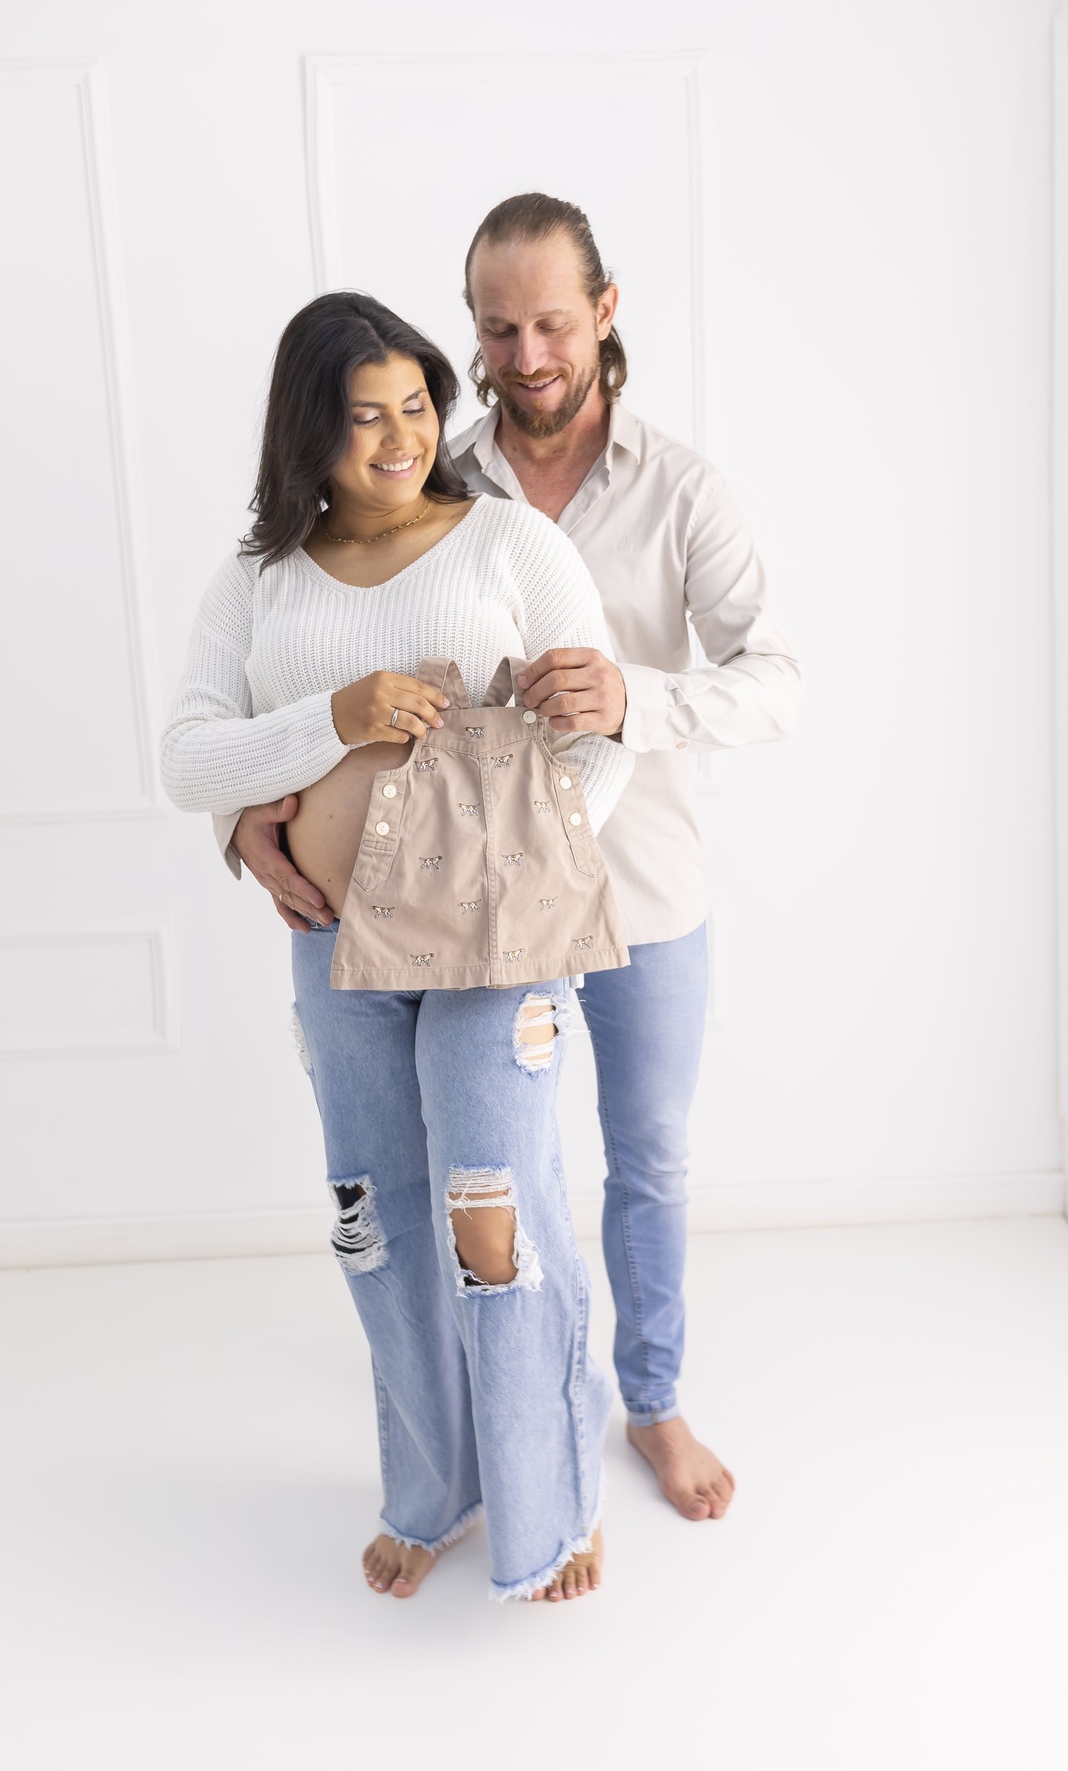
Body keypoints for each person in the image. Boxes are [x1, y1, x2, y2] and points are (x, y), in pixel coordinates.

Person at [225, 194, 801, 1524]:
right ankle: (494, 1420)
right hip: (456, 921)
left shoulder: (683, 489)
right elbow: (296, 652)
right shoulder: (429, 475)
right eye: (499, 327)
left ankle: (649, 1405)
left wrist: (632, 702)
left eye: (553, 321)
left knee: (644, 1156)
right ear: (471, 335)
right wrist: (251, 810)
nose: (528, 352)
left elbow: (777, 682)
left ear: (605, 313)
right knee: (482, 1170)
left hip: (641, 888)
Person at [162, 291, 633, 1603]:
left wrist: (526, 878)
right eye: (361, 415)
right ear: (306, 430)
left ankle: (553, 1500)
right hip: (336, 958)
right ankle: (431, 1490)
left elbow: (600, 737)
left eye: (416, 406)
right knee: (379, 1229)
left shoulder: (502, 541)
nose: (395, 438)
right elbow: (189, 756)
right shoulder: (256, 580)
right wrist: (335, 716)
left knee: (494, 1209)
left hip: (499, 953)